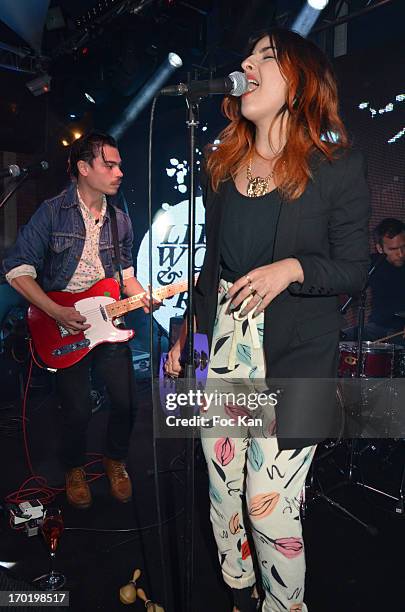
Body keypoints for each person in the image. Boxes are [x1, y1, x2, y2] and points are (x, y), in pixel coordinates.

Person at [165, 28, 370, 612]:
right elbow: (209, 265)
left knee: (268, 502)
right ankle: (238, 593)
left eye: (265, 56)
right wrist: (189, 331)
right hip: (224, 344)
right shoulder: (222, 168)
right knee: (223, 492)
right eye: (246, 53)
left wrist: (294, 269)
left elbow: (354, 269)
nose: (247, 63)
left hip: (297, 354)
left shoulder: (337, 166)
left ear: (300, 80)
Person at [2, 131, 158, 510]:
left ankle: (115, 460)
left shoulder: (120, 219)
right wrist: (55, 312)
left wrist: (143, 295)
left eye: (120, 163)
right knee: (75, 410)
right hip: (62, 323)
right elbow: (16, 270)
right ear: (84, 168)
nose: (120, 171)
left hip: (106, 321)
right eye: (110, 164)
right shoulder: (52, 212)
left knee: (126, 402)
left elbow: (124, 271)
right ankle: (74, 467)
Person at [343, 217, 405, 346]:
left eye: (404, 247)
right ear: (380, 248)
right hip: (377, 328)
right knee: (337, 339)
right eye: (393, 249)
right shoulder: (371, 264)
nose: (401, 254)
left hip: (400, 331)